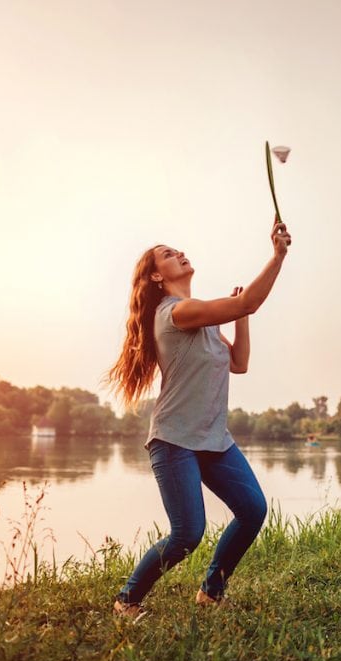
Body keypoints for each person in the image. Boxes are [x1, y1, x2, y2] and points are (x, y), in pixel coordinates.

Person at [107, 218, 292, 617]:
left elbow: (239, 363)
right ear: (157, 275)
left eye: (178, 250)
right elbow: (247, 301)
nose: (179, 254)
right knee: (188, 534)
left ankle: (211, 591)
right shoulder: (174, 313)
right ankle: (127, 600)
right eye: (168, 255)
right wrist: (276, 256)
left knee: (253, 510)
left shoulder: (203, 321)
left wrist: (241, 317)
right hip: (174, 440)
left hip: (213, 440)